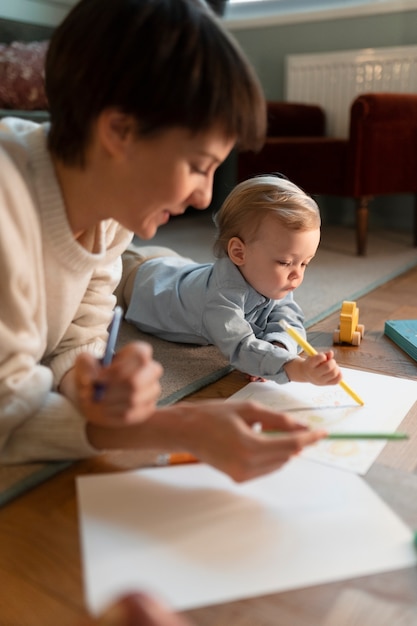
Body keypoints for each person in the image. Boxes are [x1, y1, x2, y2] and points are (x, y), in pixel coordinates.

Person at [0, 0, 327, 479]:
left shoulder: (109, 210)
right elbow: (8, 414)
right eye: (198, 165)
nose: (204, 197)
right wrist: (178, 426)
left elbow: (81, 331)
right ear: (119, 131)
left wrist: (88, 383)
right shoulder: (9, 212)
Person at [118, 174, 342, 387]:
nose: (297, 274)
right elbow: (240, 347)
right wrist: (296, 368)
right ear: (239, 253)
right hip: (137, 280)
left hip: (176, 267)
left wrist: (278, 346)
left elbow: (289, 319)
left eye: (305, 263)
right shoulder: (221, 299)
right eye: (285, 262)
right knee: (105, 252)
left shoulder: (275, 279)